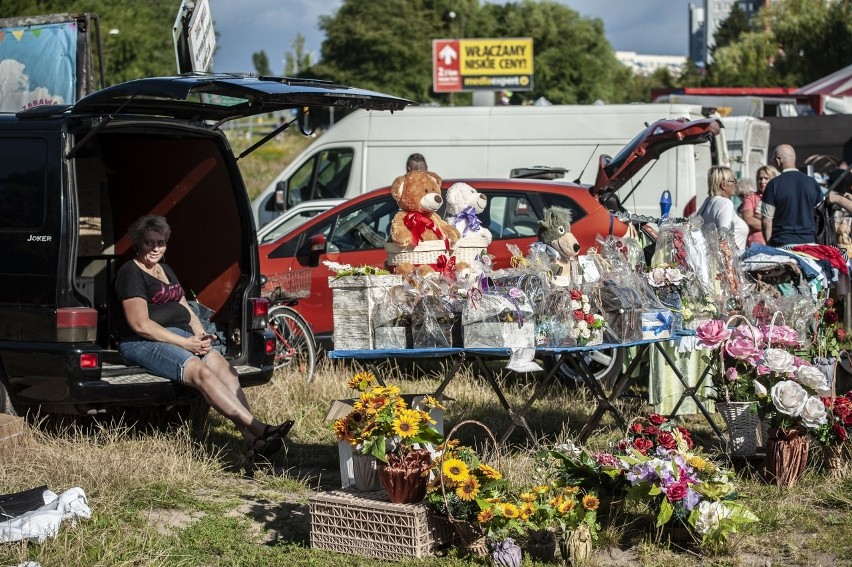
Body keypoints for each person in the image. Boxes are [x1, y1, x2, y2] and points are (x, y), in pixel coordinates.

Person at [114, 215, 292, 458]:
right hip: (142, 342)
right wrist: (186, 343)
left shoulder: (164, 269)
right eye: (149, 243)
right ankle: (260, 428)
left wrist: (200, 334)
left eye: (160, 242)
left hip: (181, 334)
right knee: (201, 372)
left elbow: (184, 306)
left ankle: (253, 441)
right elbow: (140, 324)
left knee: (226, 370)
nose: (155, 248)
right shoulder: (131, 272)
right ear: (138, 243)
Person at [761, 145, 824, 247]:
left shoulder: (773, 184)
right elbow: (821, 214)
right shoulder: (812, 183)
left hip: (783, 244)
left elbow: (766, 221)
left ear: (777, 160)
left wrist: (769, 245)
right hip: (810, 244)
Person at [696, 165, 749, 249]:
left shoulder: (708, 201)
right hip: (731, 259)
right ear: (724, 185)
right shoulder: (725, 203)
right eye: (733, 181)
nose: (735, 184)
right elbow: (724, 238)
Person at [741, 164, 779, 246]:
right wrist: (771, 223)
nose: (762, 182)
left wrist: (762, 219)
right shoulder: (750, 197)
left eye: (766, 178)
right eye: (760, 179)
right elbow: (749, 220)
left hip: (777, 242)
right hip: (756, 244)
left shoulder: (780, 197)